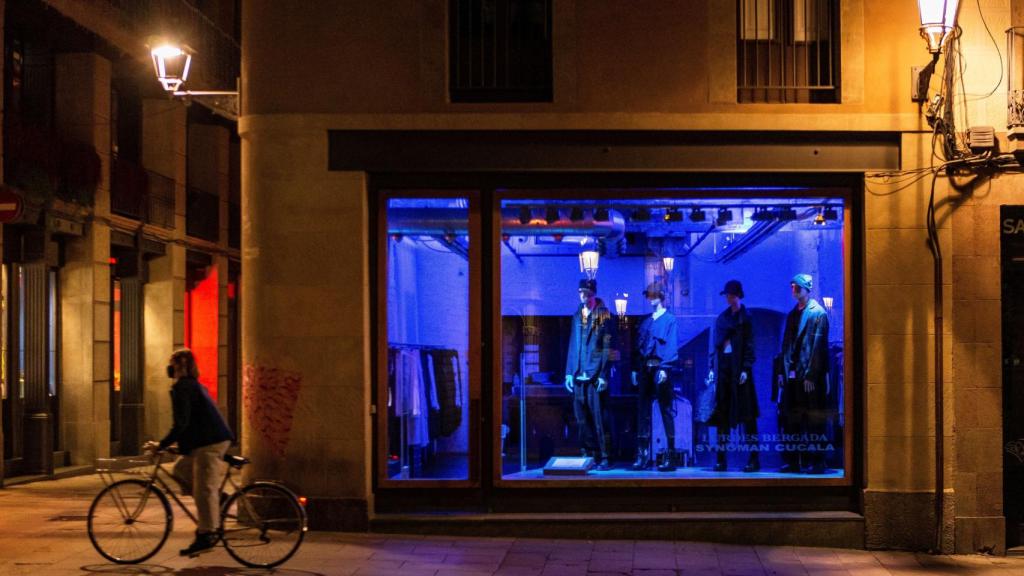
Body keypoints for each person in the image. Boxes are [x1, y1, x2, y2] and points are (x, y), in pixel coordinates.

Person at [144, 349, 235, 556]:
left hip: (210, 442)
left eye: (171, 363)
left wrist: (161, 444)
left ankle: (207, 533)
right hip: (208, 439)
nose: (169, 368)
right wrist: (179, 446)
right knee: (182, 470)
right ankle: (218, 500)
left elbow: (181, 423)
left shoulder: (183, 387)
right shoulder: (191, 386)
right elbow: (192, 422)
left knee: (204, 489)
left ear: (180, 366)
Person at [775, 274, 830, 474]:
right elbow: (786, 345)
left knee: (813, 420)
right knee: (792, 419)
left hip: (807, 376)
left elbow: (818, 347)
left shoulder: (818, 314)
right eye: (792, 286)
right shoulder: (792, 315)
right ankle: (793, 461)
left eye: (797, 287)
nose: (794, 290)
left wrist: (811, 375)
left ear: (807, 288)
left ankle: (817, 461)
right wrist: (782, 372)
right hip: (793, 375)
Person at [709, 280, 760, 472]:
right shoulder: (723, 318)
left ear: (738, 295)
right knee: (723, 414)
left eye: (732, 295)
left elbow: (750, 344)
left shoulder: (746, 317)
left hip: (739, 369)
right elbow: (716, 346)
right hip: (724, 368)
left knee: (747, 415)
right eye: (727, 295)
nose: (729, 298)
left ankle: (754, 458)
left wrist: (746, 368)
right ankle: (721, 459)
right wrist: (712, 368)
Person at [565, 279, 613, 470]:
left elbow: (608, 347)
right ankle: (588, 453)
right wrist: (569, 372)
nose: (583, 296)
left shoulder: (604, 315)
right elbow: (572, 343)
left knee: (599, 417)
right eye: (581, 292)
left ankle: (605, 456)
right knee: (581, 418)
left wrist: (603, 375)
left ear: (593, 293)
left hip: (594, 373)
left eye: (586, 293)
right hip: (578, 373)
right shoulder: (577, 315)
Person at [631, 282, 679, 472]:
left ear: (660, 296)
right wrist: (635, 369)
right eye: (649, 295)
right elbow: (638, 347)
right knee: (642, 411)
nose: (650, 299)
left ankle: (670, 455)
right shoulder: (646, 321)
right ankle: (642, 455)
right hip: (645, 369)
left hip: (660, 369)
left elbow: (671, 346)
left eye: (653, 295)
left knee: (666, 411)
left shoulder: (669, 320)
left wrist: (665, 369)